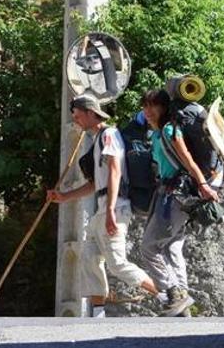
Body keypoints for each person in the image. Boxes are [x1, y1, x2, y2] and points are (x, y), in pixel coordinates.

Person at [47, 96, 185, 317]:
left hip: (115, 207)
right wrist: (64, 197)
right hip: (102, 209)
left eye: (78, 116)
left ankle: (167, 296)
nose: (76, 121)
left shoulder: (109, 135)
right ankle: (98, 315)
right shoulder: (97, 140)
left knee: (118, 264)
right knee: (90, 258)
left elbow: (114, 170)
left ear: (92, 113)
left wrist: (110, 210)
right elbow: (96, 184)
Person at [140, 89, 219, 317]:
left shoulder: (169, 130)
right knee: (173, 247)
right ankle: (182, 304)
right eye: (145, 106)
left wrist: (204, 185)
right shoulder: (155, 135)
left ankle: (174, 292)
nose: (148, 110)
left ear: (164, 108)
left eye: (153, 105)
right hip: (167, 194)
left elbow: (188, 160)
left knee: (149, 246)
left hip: (176, 195)